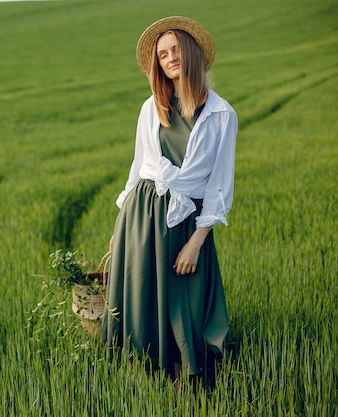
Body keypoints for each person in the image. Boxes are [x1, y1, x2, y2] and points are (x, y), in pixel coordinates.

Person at [101, 16, 238, 388]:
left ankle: (186, 376)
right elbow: (136, 170)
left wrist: (197, 241)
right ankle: (145, 377)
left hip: (186, 222)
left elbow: (219, 188)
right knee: (142, 299)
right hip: (142, 218)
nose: (170, 58)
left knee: (185, 304)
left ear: (191, 52)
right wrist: (119, 228)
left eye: (175, 49)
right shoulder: (152, 108)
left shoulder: (223, 116)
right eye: (162, 54)